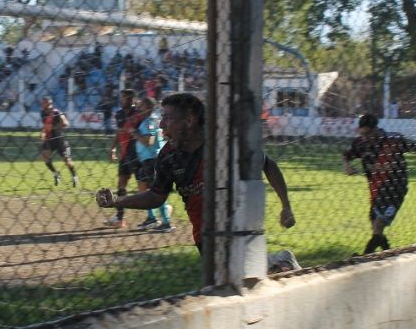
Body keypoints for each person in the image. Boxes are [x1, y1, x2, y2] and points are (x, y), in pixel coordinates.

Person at [96, 92, 296, 251]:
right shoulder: (168, 155)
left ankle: (281, 262)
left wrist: (286, 206)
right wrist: (117, 201)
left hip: (236, 231)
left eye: (167, 118)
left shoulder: (223, 144)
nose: (161, 124)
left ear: (189, 121)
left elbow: (267, 163)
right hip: (204, 236)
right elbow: (156, 196)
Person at [343, 114, 416, 255]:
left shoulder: (394, 140)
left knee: (378, 224)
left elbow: (414, 147)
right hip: (376, 190)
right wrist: (347, 166)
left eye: (368, 133)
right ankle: (389, 255)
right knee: (376, 229)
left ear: (376, 129)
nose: (365, 137)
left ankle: (363, 258)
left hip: (396, 189)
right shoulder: (360, 144)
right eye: (362, 133)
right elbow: (346, 155)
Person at [133, 97, 174, 232]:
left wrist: (135, 134)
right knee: (146, 190)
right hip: (148, 160)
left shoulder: (149, 121)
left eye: (142, 105)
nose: (139, 108)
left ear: (149, 108)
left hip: (152, 160)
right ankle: (151, 218)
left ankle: (166, 222)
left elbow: (149, 141)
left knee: (156, 191)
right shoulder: (155, 120)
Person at [103, 89, 143, 228]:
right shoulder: (119, 113)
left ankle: (159, 213)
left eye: (125, 97)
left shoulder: (138, 113)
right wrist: (113, 148)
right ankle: (120, 218)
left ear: (132, 99)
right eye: (122, 97)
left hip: (137, 154)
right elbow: (119, 132)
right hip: (125, 154)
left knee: (143, 187)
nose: (122, 99)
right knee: (121, 184)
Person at [39, 97, 78, 187]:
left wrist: (54, 127)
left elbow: (66, 123)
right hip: (49, 140)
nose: (42, 104)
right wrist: (42, 132)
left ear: (49, 103)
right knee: (45, 156)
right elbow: (45, 125)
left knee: (67, 161)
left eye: (44, 103)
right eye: (42, 103)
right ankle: (56, 174)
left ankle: (74, 176)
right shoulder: (42, 113)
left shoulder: (56, 112)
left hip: (59, 139)